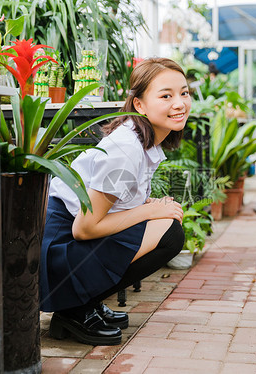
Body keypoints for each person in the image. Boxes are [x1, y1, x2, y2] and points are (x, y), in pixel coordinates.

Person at [39, 57, 191, 346]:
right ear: (140, 105)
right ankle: (75, 310)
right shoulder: (126, 149)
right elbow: (83, 229)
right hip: (59, 250)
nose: (180, 103)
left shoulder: (141, 140)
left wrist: (149, 206)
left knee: (164, 221)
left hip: (67, 240)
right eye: (166, 96)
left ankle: (86, 303)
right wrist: (149, 211)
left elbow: (115, 203)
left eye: (184, 93)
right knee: (170, 234)